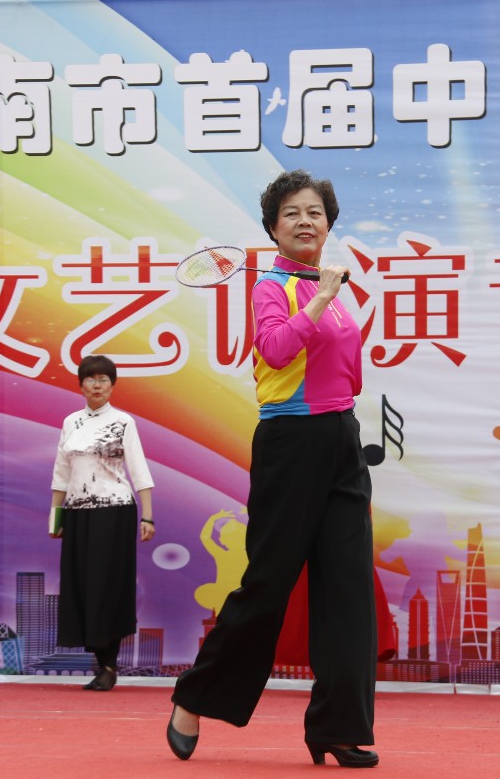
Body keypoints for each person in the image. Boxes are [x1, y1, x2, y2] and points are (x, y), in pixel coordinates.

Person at [167, 170, 378, 768]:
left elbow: (349, 374)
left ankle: (337, 728)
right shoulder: (272, 288)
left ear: (329, 224)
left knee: (348, 590)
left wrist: (325, 298)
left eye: (315, 212)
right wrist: (320, 299)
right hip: (290, 441)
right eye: (292, 213)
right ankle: (194, 697)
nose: (305, 221)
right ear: (272, 228)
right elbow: (277, 351)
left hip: (341, 440)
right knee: (268, 584)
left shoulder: (327, 286)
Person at [51, 354, 155, 691]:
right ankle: (101, 663)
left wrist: (148, 515)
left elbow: (139, 470)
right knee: (82, 585)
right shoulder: (70, 422)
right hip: (77, 512)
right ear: (81, 385)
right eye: (90, 379)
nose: (97, 385)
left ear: (112, 386)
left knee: (107, 584)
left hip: (114, 510)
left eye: (103, 379)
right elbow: (61, 472)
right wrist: (56, 516)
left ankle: (109, 665)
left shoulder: (123, 422)